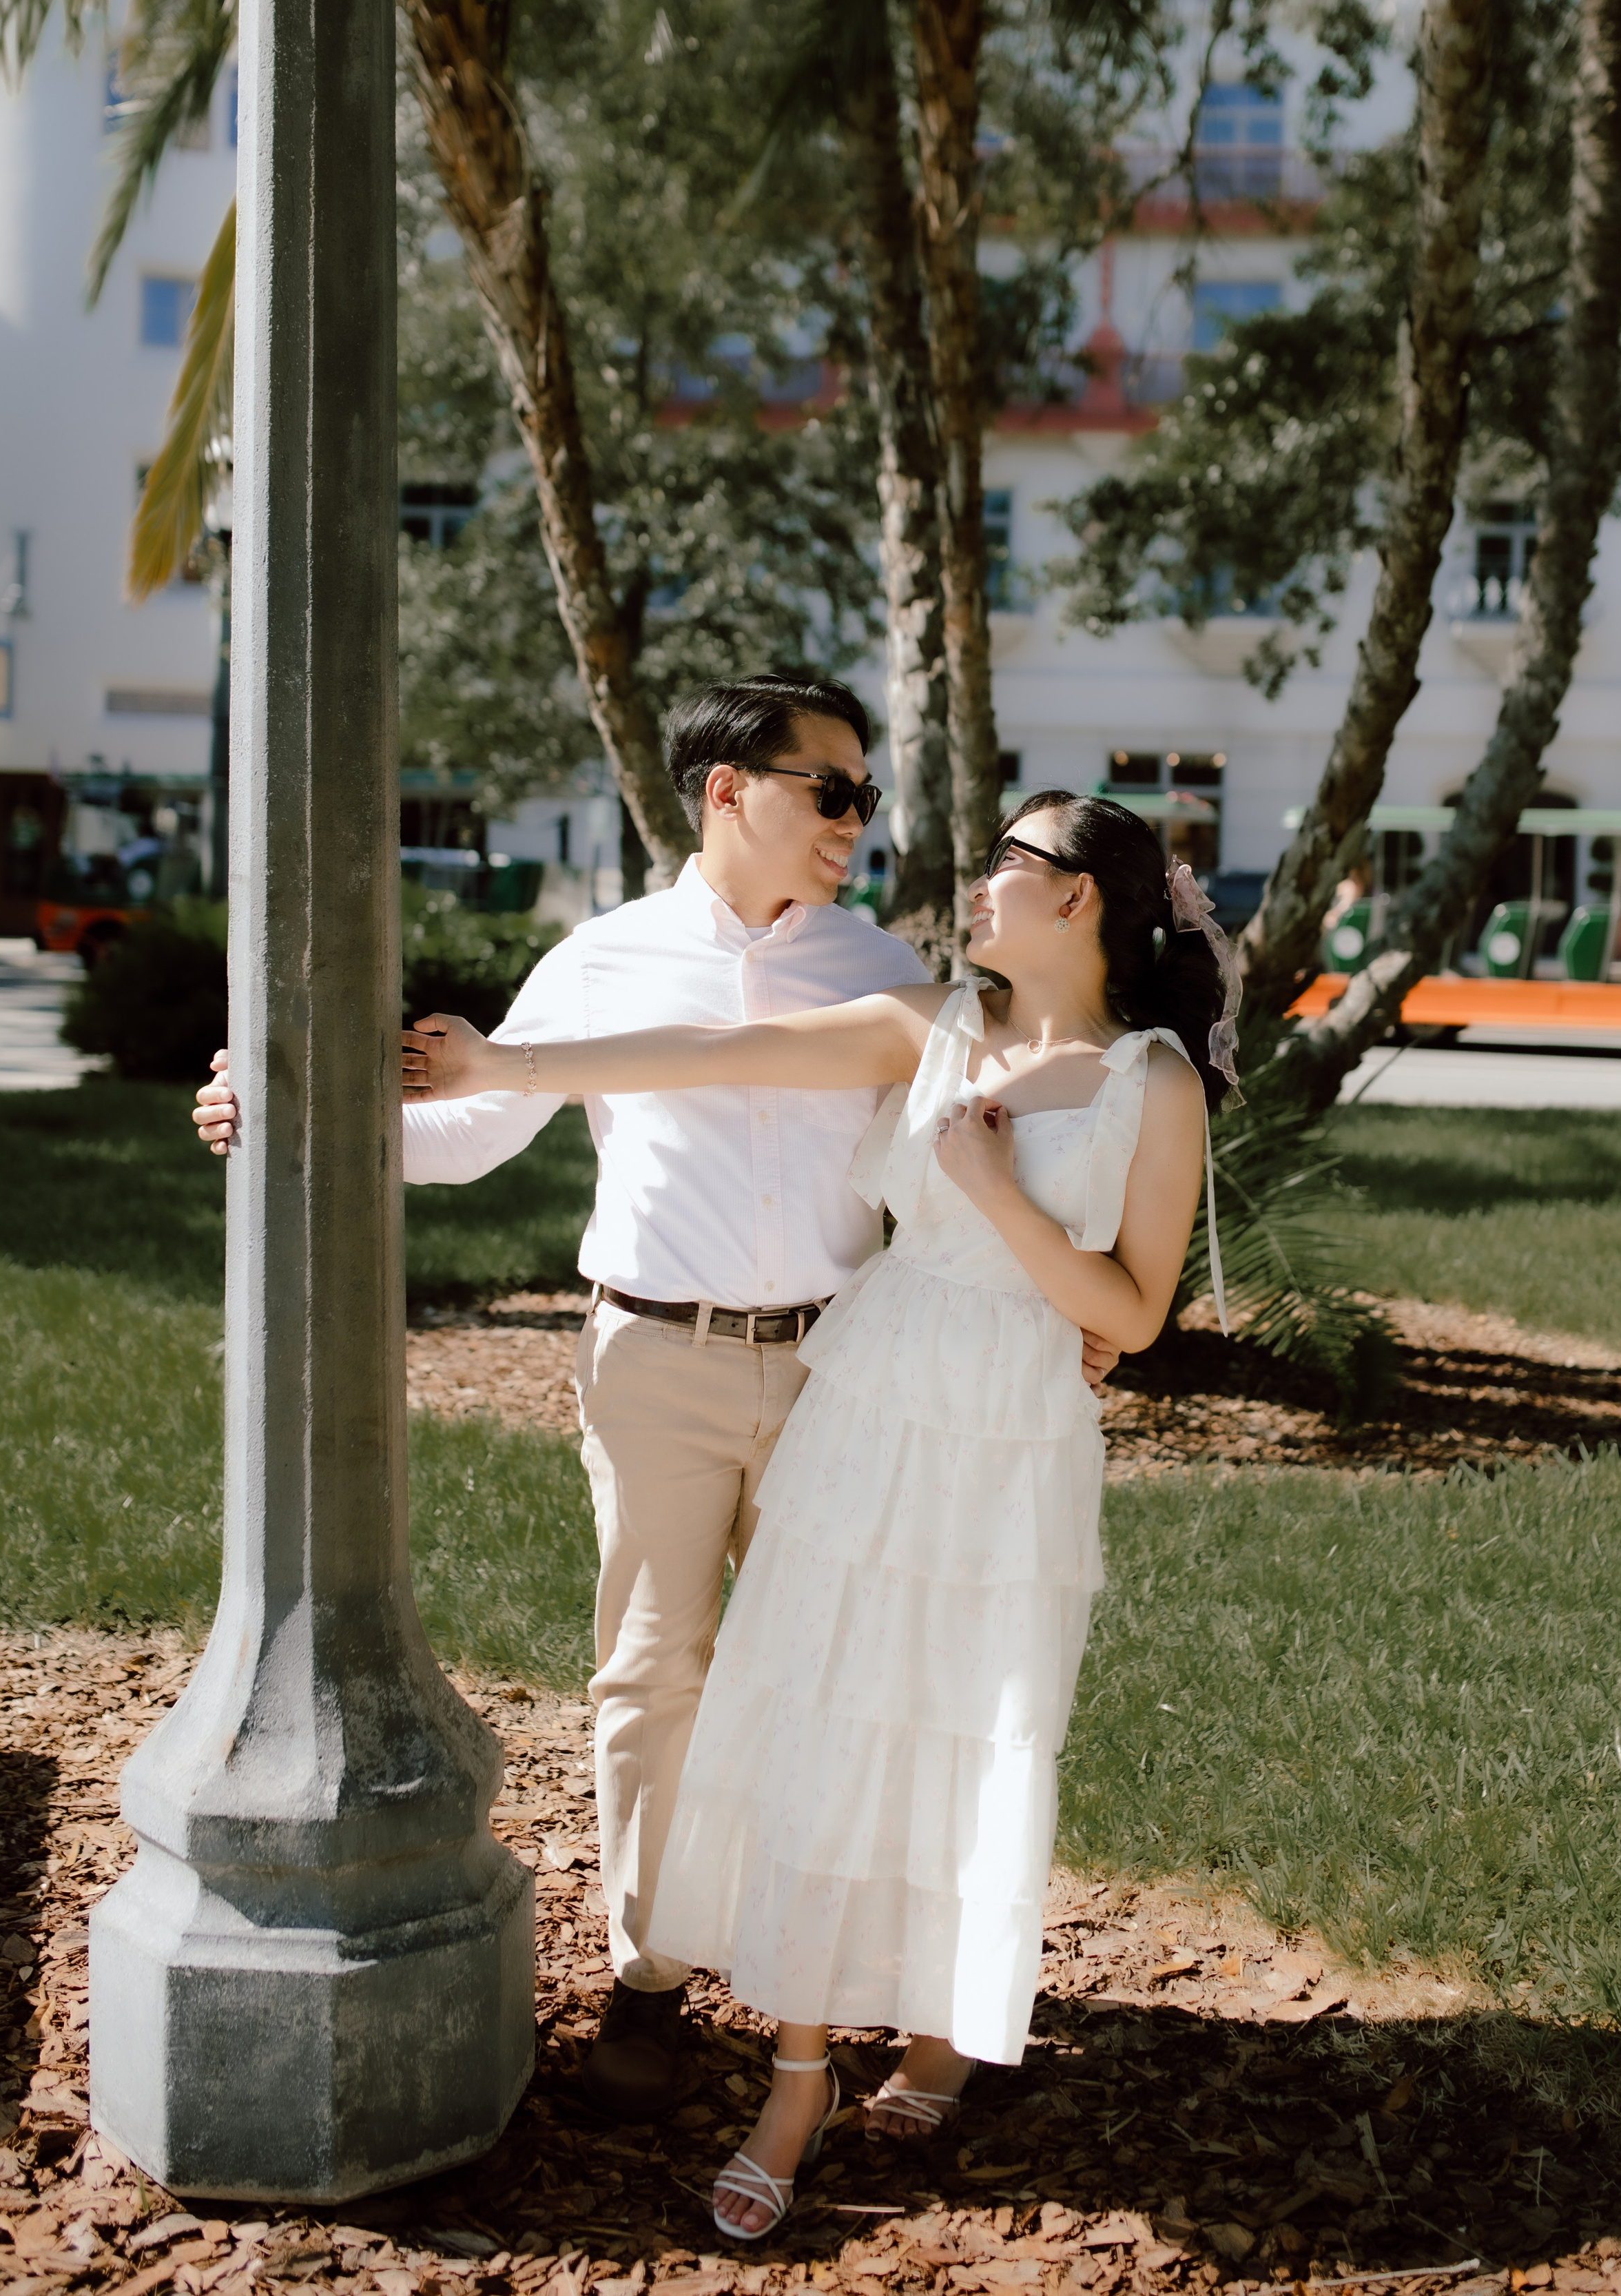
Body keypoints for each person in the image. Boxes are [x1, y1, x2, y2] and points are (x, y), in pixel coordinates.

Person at [192, 673, 1122, 2123]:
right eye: (834, 791)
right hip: (655, 1364)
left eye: (864, 797)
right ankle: (650, 1981)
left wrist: (1059, 1318)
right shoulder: (601, 962)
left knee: (852, 1678)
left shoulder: (885, 972)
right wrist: (286, 1114)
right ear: (726, 791)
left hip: (845, 1372)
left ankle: (841, 1978)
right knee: (651, 1674)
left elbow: (979, 1158)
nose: (857, 825)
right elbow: (474, 1134)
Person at [401, 792, 1238, 2241]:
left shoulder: (1152, 1086)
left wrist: (996, 1194)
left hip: (1011, 1430)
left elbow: (1137, 1315)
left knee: (962, 1726)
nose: (974, 883)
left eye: (1006, 864)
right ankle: (792, 2080)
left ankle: (935, 2031)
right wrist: (502, 1060)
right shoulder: (923, 1023)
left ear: (1080, 899)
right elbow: (713, 1053)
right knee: (818, 1715)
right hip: (861, 1398)